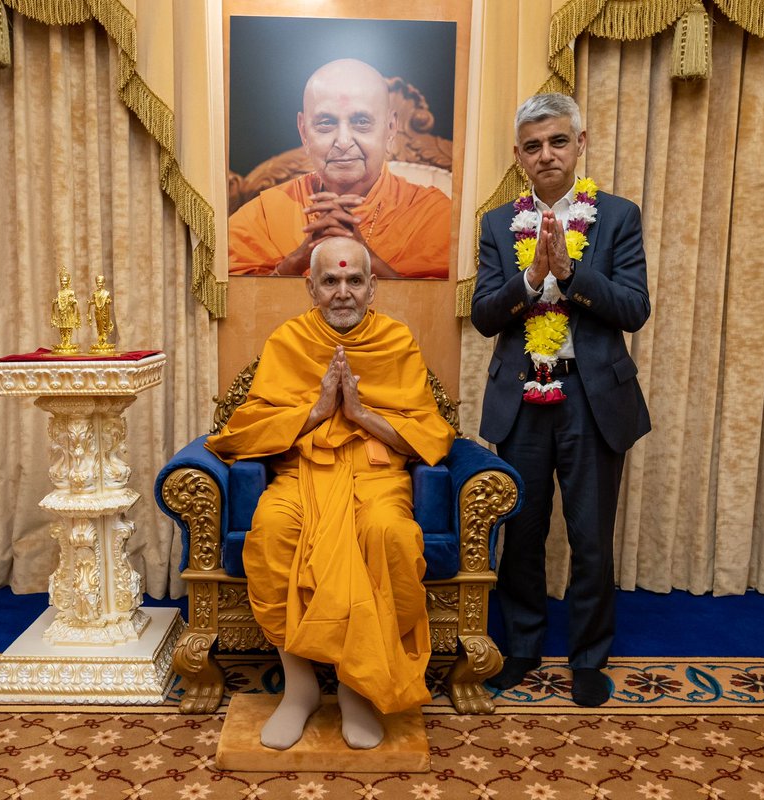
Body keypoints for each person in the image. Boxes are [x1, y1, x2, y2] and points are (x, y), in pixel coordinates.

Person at [206, 237, 454, 749]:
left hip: (376, 474)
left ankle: (355, 688)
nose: (343, 292)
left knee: (387, 534)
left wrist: (361, 415)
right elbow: (244, 428)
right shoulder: (289, 341)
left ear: (372, 286)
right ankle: (297, 690)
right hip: (302, 473)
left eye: (354, 280)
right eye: (331, 280)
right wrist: (317, 410)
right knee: (274, 531)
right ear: (310, 287)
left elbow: (431, 433)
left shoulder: (396, 340)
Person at [471, 93, 651, 707]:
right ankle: (521, 648)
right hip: (522, 398)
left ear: (581, 144)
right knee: (520, 532)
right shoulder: (497, 225)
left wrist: (572, 274)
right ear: (518, 157)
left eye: (557, 141)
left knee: (591, 536)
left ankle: (589, 658)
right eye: (531, 145)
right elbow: (484, 316)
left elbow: (634, 309)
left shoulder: (618, 217)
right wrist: (528, 279)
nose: (545, 154)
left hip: (593, 397)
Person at [227, 58, 451, 279]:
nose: (343, 141)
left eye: (361, 121)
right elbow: (238, 303)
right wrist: (296, 261)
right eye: (326, 122)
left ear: (390, 127)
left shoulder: (432, 214)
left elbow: (435, 309)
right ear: (304, 132)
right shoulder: (267, 214)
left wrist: (366, 259)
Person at [50, 266, 81, 354]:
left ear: (68, 282)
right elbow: (59, 300)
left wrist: (73, 302)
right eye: (62, 281)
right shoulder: (59, 292)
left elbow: (72, 301)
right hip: (61, 313)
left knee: (68, 327)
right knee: (62, 328)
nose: (63, 283)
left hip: (68, 312)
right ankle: (63, 342)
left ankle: (68, 342)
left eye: (65, 281)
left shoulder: (71, 292)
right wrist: (55, 301)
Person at [87, 275, 115, 354]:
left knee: (104, 325)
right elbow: (93, 301)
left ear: (104, 283)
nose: (99, 284)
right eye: (98, 283)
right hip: (97, 312)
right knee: (99, 326)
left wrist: (108, 301)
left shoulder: (106, 293)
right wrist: (90, 303)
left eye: (101, 283)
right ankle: (100, 340)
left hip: (104, 312)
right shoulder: (95, 293)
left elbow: (109, 300)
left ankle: (104, 340)